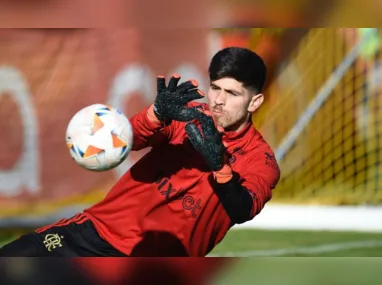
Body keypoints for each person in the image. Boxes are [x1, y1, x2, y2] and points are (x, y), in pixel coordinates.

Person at [0, 47, 280, 257]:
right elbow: (125, 140)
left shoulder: (261, 161)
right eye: (215, 88)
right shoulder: (189, 116)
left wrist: (218, 165)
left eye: (231, 94)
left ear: (254, 102)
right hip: (94, 236)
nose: (218, 101)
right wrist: (156, 113)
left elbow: (242, 209)